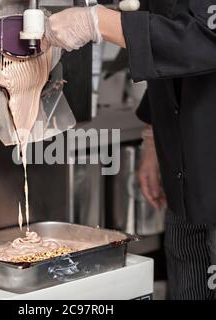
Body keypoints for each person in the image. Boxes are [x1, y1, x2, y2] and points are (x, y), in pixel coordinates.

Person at [44, 1, 216, 300]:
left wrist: (97, 22)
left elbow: (202, 39)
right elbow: (172, 39)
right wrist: (154, 134)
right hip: (188, 175)